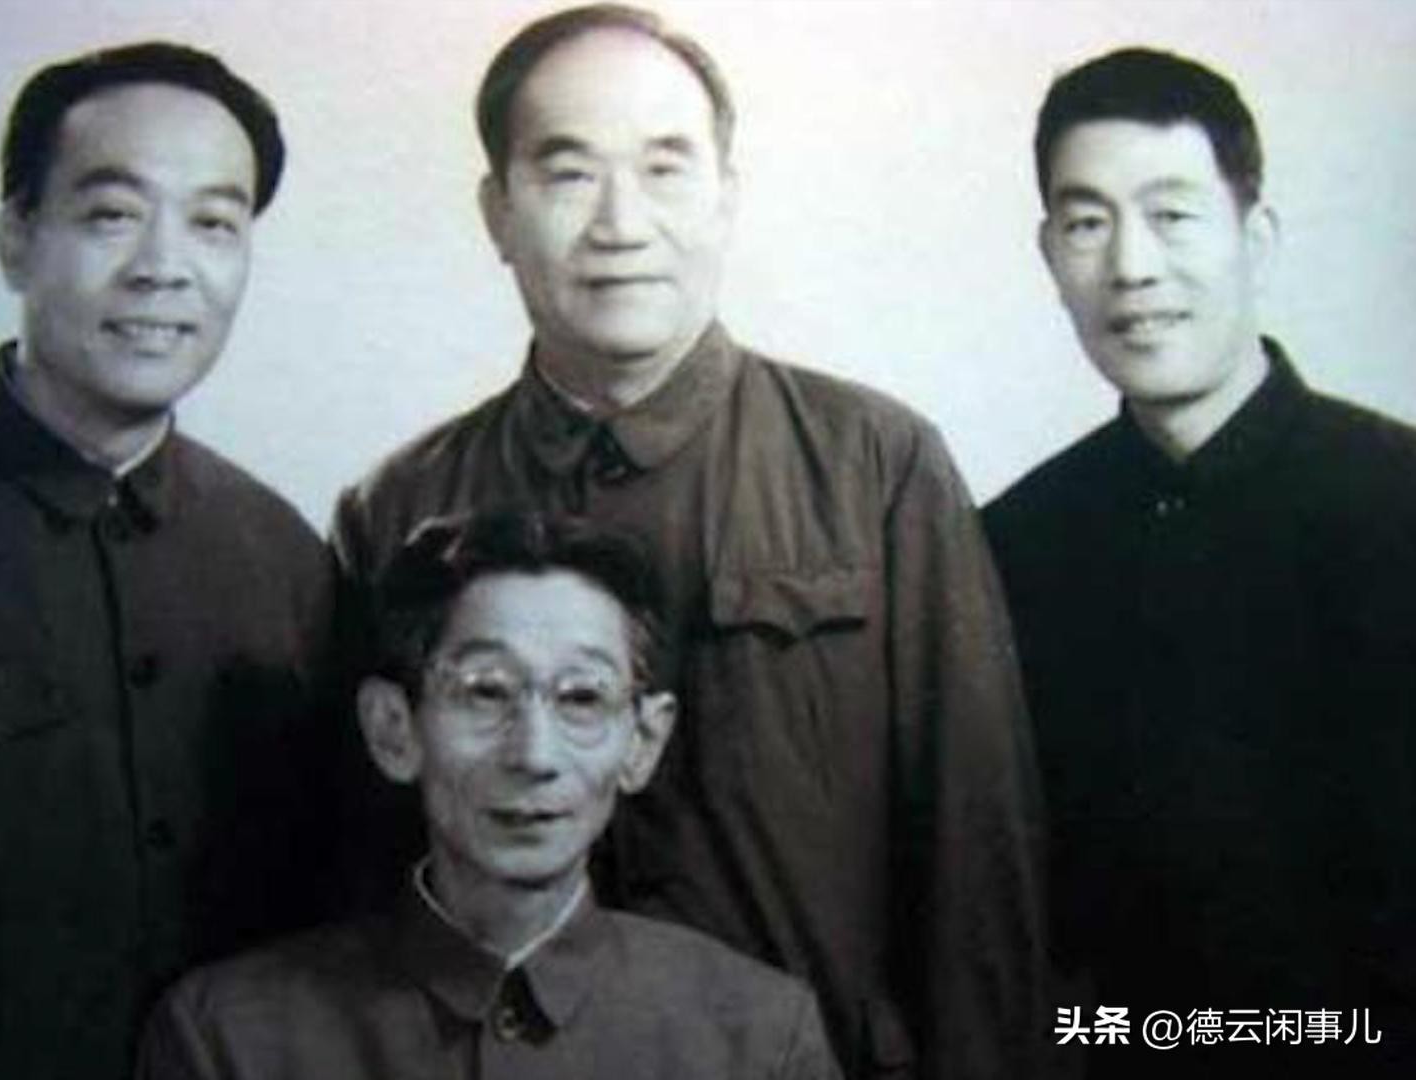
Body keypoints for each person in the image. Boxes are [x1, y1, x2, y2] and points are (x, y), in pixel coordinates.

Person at [331, 6, 1046, 1076]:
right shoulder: (400, 505)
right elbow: (356, 889)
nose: (621, 223)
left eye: (664, 168)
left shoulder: (874, 465)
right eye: (568, 173)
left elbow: (977, 858)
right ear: (496, 212)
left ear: (725, 195)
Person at [0, 42, 342, 1080]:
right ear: (16, 240)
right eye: (113, 215)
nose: (163, 265)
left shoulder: (286, 559)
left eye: (214, 224)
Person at [985, 47, 1416, 1076]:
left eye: (1171, 214)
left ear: (1253, 237)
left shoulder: (1395, 500)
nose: (1130, 267)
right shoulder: (1013, 544)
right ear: (1048, 255)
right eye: (1086, 224)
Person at [139, 510, 843, 1080]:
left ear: (643, 740)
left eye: (581, 697)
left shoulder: (759, 1040)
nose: (533, 755)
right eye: (485, 692)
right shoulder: (229, 1038)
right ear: (393, 729)